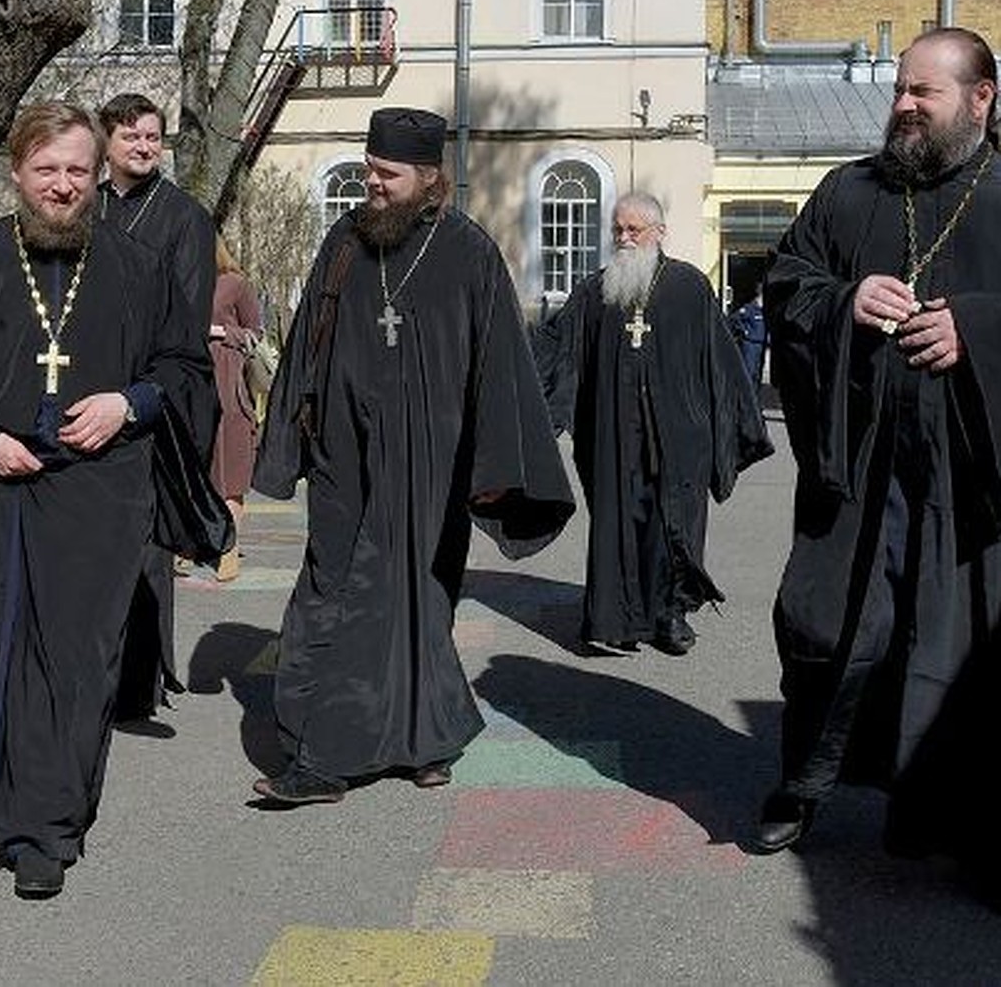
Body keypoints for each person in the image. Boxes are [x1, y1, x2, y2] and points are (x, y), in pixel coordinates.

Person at [0, 102, 231, 899]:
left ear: (96, 176)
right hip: (4, 495)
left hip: (104, 498)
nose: (61, 187)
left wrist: (131, 404)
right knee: (14, 654)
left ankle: (48, 828)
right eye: (46, 170)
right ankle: (20, 811)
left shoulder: (135, 266)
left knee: (82, 664)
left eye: (77, 172)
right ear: (16, 173)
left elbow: (185, 371)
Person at [250, 106, 575, 805]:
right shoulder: (344, 240)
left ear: (429, 179)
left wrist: (497, 472)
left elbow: (501, 369)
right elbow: (310, 335)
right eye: (369, 168)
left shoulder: (468, 252)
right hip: (342, 456)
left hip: (430, 462)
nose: (372, 182)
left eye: (386, 173)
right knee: (331, 588)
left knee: (412, 599)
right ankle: (424, 736)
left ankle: (330, 758)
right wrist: (291, 440)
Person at [753, 27, 1001, 889]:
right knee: (828, 631)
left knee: (957, 644)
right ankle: (803, 783)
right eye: (898, 89)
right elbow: (785, 283)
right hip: (858, 471)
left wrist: (976, 326)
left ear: (980, 100)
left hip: (972, 488)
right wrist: (844, 299)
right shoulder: (849, 191)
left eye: (922, 94)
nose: (902, 105)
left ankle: (948, 817)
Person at [535, 192, 772, 658]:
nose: (624, 238)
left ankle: (670, 616)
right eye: (618, 230)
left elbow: (721, 362)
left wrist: (738, 425)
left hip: (680, 437)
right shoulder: (594, 291)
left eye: (634, 230)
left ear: (659, 232)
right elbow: (558, 350)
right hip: (614, 437)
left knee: (672, 526)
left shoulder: (689, 287)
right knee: (618, 523)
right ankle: (617, 619)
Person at [97, 93, 218, 725]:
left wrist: (140, 392)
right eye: (132, 137)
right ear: (106, 144)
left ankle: (137, 685)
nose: (144, 147)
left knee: (144, 547)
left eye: (153, 137)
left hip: (148, 402)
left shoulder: (184, 218)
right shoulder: (84, 207)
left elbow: (186, 325)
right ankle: (90, 670)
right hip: (82, 399)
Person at [208, 235, 263, 582]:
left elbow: (255, 333)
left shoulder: (235, 284)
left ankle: (229, 548)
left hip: (228, 386)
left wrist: (219, 331)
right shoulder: (180, 278)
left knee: (231, 471)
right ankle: (185, 546)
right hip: (191, 385)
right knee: (194, 469)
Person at [728, 285, 768, 388]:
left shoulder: (765, 311)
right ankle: (746, 398)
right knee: (748, 372)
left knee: (757, 373)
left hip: (761, 345)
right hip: (750, 345)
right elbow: (734, 319)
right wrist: (745, 331)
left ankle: (755, 398)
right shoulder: (749, 308)